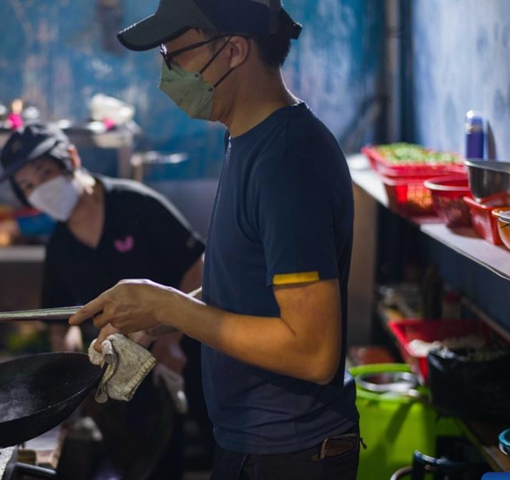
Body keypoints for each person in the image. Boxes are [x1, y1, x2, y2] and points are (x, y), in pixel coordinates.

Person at [69, 1, 361, 479]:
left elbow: (313, 352)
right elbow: (253, 284)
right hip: (250, 442)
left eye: (173, 55)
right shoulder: (246, 139)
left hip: (290, 453)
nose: (166, 74)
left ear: (234, 50)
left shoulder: (286, 162)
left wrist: (168, 307)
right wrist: (155, 320)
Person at [0, 122, 212, 479]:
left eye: (44, 173)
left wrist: (172, 336)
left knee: (219, 446)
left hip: (189, 355)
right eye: (28, 187)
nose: (40, 190)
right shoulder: (61, 247)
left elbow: (198, 266)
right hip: (131, 381)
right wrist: (74, 382)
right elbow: (59, 325)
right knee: (151, 466)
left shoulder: (134, 203)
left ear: (72, 158)